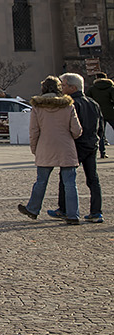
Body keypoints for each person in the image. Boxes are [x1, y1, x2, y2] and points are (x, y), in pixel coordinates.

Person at [18, 76, 83, 224]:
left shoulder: (38, 107)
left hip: (45, 146)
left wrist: (35, 149)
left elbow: (33, 131)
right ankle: (73, 215)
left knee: (41, 181)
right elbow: (77, 130)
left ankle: (33, 209)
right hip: (66, 148)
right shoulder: (68, 106)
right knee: (70, 184)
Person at [53, 73, 102, 223]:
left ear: (73, 87)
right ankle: (96, 212)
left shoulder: (72, 103)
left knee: (66, 177)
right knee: (93, 179)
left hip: (76, 145)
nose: (62, 88)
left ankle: (64, 209)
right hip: (91, 144)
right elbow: (101, 124)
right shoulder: (93, 102)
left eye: (64, 85)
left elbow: (71, 126)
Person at [89, 71, 114, 159]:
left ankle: (102, 152)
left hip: (98, 113)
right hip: (110, 112)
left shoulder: (92, 89)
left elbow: (88, 99)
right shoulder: (111, 88)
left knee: (100, 134)